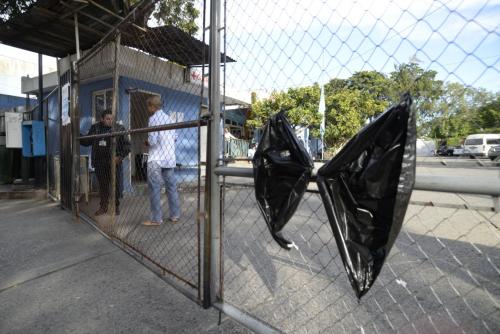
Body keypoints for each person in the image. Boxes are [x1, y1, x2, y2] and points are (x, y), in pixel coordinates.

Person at [80, 109, 130, 216]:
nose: (110, 121)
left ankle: (116, 206)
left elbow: (127, 146)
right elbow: (87, 141)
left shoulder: (119, 128)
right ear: (102, 119)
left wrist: (120, 157)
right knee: (102, 186)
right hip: (100, 162)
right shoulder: (96, 128)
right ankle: (103, 206)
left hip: (114, 163)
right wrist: (78, 136)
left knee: (115, 186)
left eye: (112, 118)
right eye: (107, 119)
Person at [142, 96, 181, 226]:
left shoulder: (153, 119)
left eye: (149, 106)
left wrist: (146, 142)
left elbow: (152, 141)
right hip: (169, 157)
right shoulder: (170, 119)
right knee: (171, 187)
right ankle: (175, 215)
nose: (148, 109)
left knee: (154, 187)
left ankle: (156, 219)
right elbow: (175, 138)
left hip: (156, 158)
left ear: (152, 106)